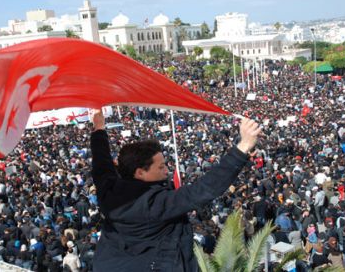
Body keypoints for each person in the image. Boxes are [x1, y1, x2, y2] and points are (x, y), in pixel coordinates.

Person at [90, 109, 261, 271]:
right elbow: (203, 190)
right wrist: (244, 146)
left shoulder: (108, 189)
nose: (167, 171)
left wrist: (99, 128)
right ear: (140, 173)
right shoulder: (154, 203)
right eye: (161, 167)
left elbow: (101, 162)